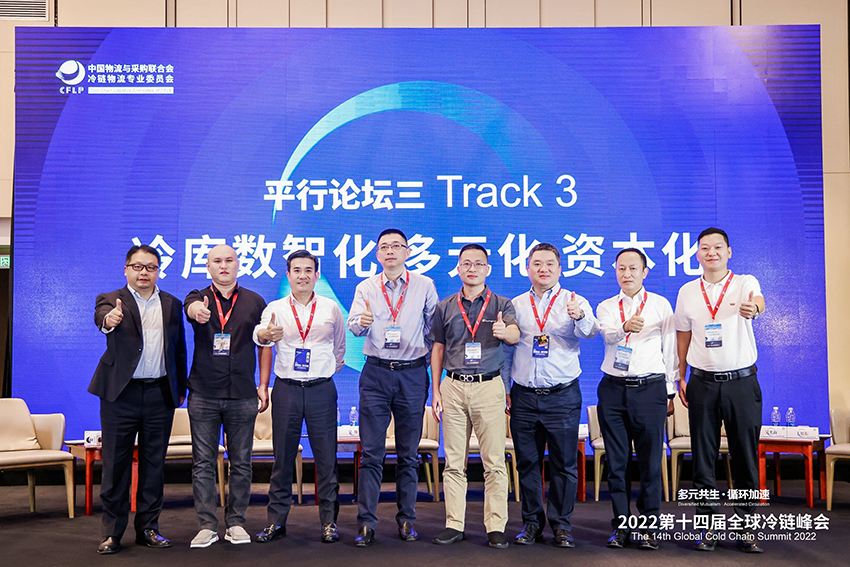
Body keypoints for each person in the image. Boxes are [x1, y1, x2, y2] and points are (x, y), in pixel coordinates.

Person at [89, 244, 187, 555]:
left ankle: (148, 528)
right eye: (137, 266)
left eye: (150, 267)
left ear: (158, 271)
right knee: (115, 464)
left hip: (160, 393)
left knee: (154, 465)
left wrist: (180, 388)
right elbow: (102, 318)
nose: (144, 272)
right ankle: (112, 533)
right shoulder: (110, 299)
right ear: (126, 269)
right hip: (121, 394)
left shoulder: (172, 303)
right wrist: (110, 319)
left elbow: (178, 348)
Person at [675, 227, 766, 553]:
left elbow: (759, 300)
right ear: (697, 254)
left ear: (729, 252)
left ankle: (746, 527)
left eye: (717, 247)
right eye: (704, 248)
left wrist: (754, 309)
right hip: (702, 383)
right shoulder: (687, 291)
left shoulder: (744, 282)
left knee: (745, 457)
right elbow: (683, 335)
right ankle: (708, 527)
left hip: (742, 383)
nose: (711, 252)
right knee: (703, 459)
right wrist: (680, 376)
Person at [502, 242, 599, 549]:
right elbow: (508, 350)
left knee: (564, 464)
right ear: (527, 268)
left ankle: (561, 525)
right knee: (527, 463)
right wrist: (506, 389)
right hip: (524, 396)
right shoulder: (516, 304)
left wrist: (579, 316)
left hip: (562, 396)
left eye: (549, 264)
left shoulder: (574, 300)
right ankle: (532, 523)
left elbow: (591, 332)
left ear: (560, 269)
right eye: (537, 264)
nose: (543, 269)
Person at [347, 228, 439, 547]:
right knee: (371, 454)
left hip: (412, 374)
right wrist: (362, 322)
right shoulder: (366, 287)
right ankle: (366, 523)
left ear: (407, 252)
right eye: (384, 247)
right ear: (377, 254)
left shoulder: (424, 285)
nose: (390, 251)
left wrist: (420, 354)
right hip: (376, 374)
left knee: (408, 455)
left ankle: (407, 520)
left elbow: (434, 328)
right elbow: (354, 328)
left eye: (396, 246)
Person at [430, 243, 519, 549]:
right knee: (454, 462)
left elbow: (515, 335)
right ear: (458, 268)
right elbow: (438, 349)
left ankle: (495, 526)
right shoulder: (445, 306)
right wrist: (435, 390)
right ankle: (454, 524)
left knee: (494, 461)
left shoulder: (502, 304)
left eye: (478, 263)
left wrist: (505, 332)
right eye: (466, 263)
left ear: (487, 269)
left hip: (488, 385)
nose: (472, 268)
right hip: (453, 386)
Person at [253, 250, 346, 544]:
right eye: (296, 270)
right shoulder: (275, 308)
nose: (302, 275)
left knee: (326, 460)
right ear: (288, 274)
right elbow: (260, 334)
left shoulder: (331, 308)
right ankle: (276, 522)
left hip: (321, 389)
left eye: (308, 270)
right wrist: (265, 335)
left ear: (316, 275)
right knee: (282, 459)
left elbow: (340, 347)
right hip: (287, 390)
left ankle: (329, 522)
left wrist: (325, 369)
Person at [183, 244, 270, 548]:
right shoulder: (198, 297)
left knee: (242, 462)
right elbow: (191, 308)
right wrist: (197, 311)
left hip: (243, 393)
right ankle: (207, 526)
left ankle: (236, 523)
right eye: (217, 261)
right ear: (208, 267)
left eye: (229, 260)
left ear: (238, 264)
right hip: (204, 393)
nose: (223, 265)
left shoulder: (255, 301)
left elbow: (264, 344)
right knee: (203, 463)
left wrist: (263, 385)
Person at [596, 248, 677, 550]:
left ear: (645, 272)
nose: (626, 274)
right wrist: (624, 328)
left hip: (650, 389)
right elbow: (607, 336)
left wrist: (669, 390)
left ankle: (649, 527)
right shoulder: (606, 306)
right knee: (616, 465)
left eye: (633, 268)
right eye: (621, 268)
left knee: (650, 464)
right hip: (613, 390)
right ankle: (621, 526)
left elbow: (670, 348)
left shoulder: (659, 304)